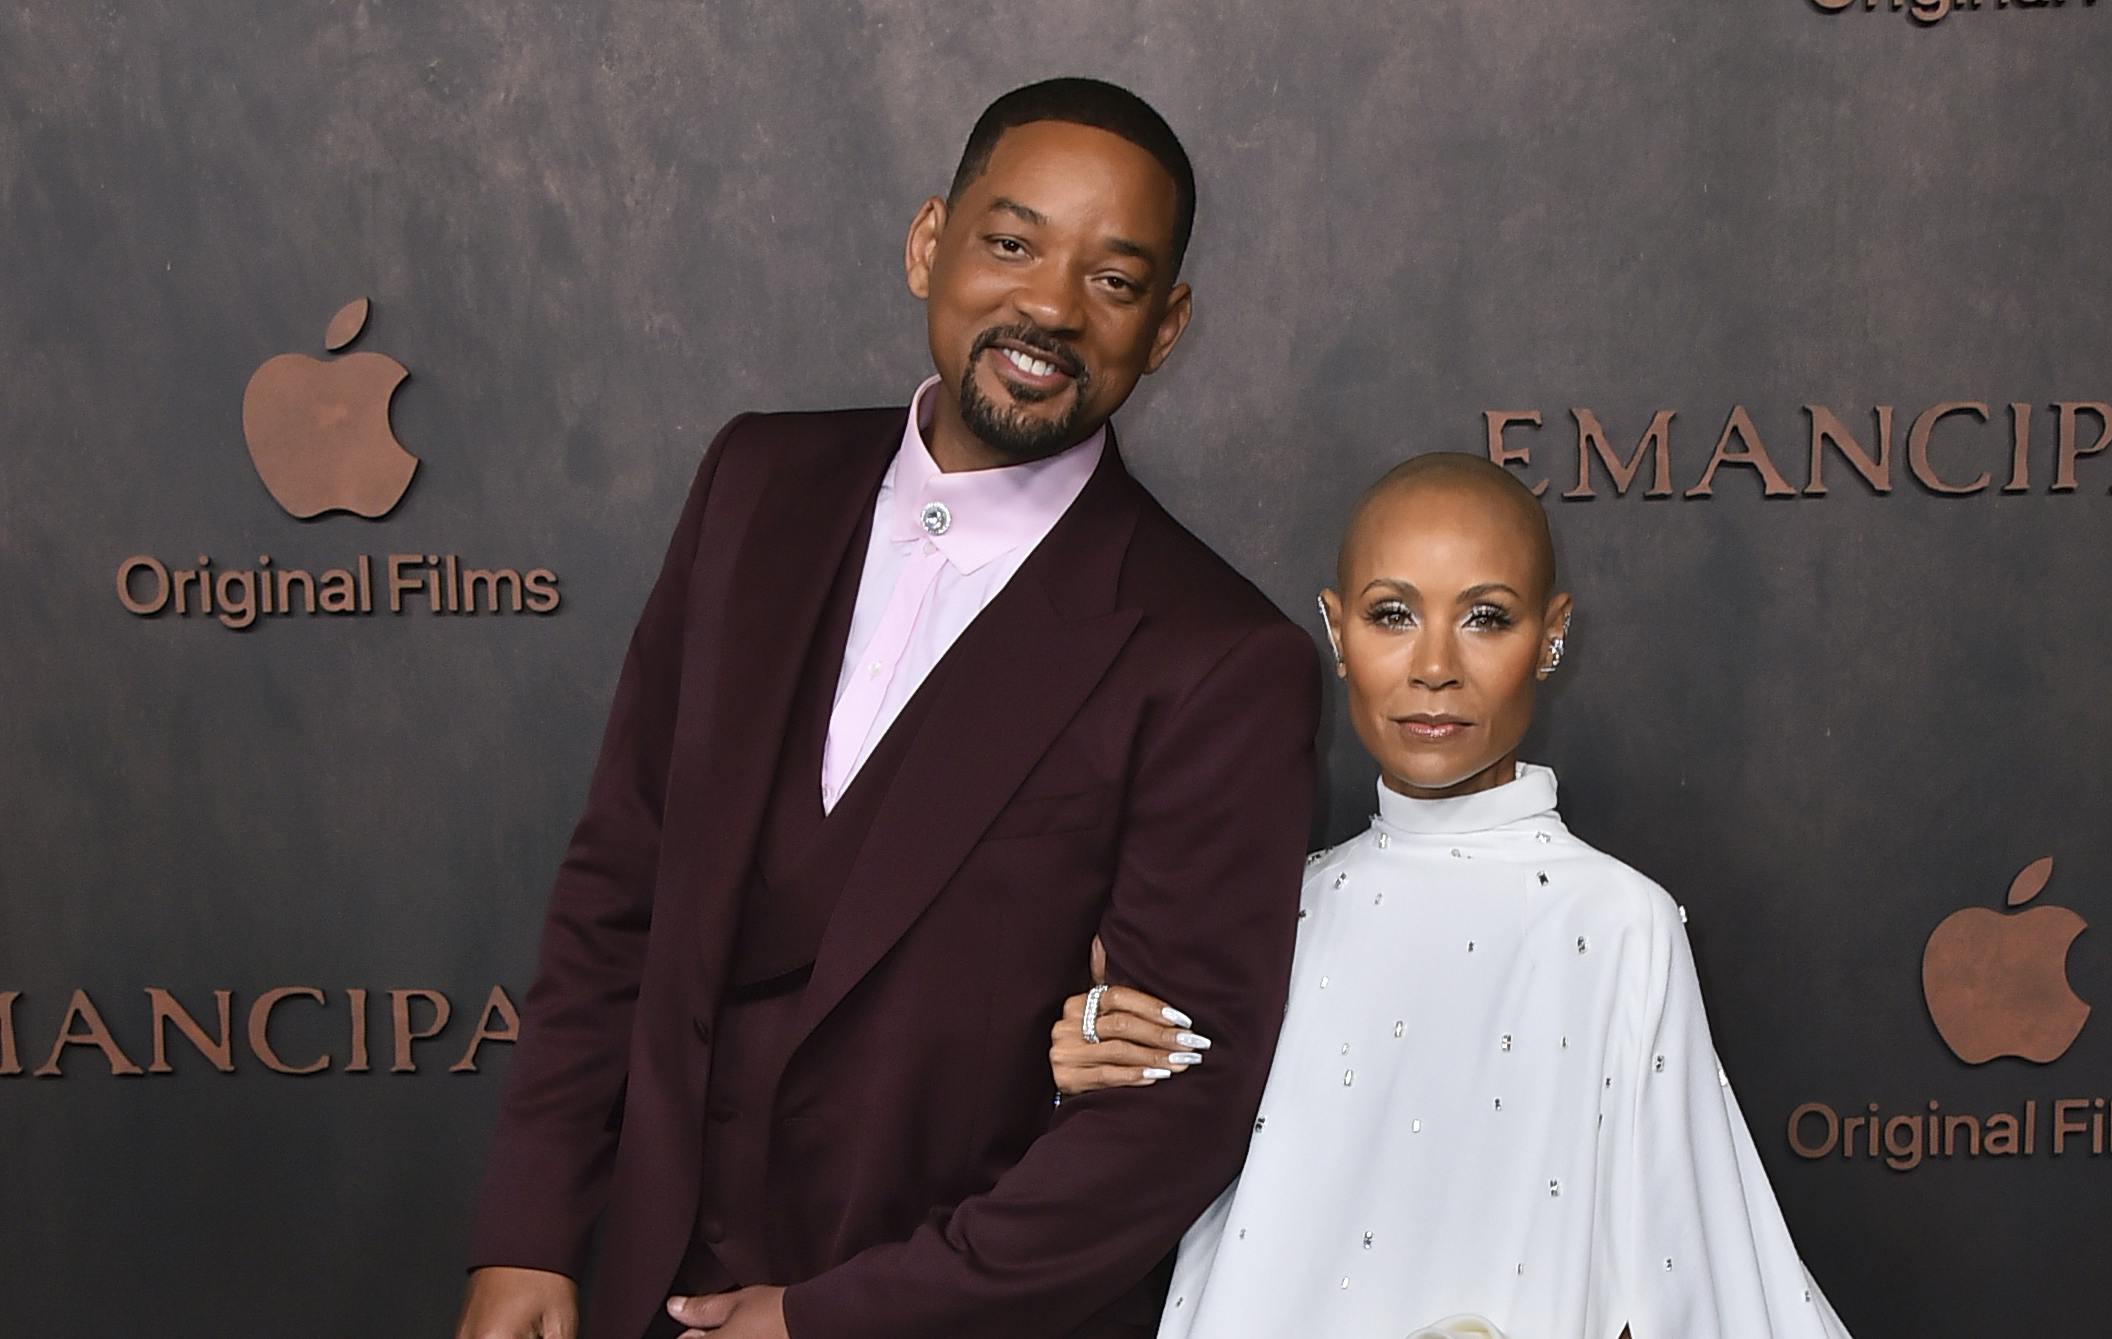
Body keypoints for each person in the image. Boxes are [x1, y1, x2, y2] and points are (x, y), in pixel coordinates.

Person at [455, 78, 1320, 1339]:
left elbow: (1167, 1118)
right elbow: (619, 884)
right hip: (645, 1286)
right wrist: (532, 1225)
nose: (1050, 307)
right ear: (930, 242)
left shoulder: (1223, 658)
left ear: (1169, 325)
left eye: (1115, 280)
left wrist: (836, 1316)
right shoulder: (754, 481)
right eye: (1012, 243)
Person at [1048, 454, 1853, 1338]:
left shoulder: (1619, 922)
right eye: (1393, 614)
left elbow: (1706, 1285)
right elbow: (1155, 1163)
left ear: (1552, 637)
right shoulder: (1278, 904)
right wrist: (1092, 1066)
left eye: (1486, 618)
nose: (1435, 666)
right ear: (1336, 628)